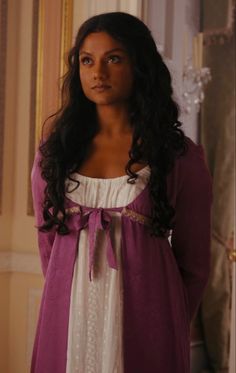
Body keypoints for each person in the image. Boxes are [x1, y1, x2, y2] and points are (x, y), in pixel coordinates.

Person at [31, 12, 212, 373]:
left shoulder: (178, 156)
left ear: (139, 65)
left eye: (113, 58)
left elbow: (194, 264)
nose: (98, 72)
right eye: (87, 60)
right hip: (68, 314)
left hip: (148, 321)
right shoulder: (55, 152)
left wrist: (167, 319)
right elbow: (48, 245)